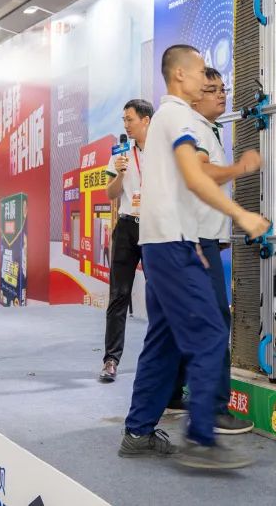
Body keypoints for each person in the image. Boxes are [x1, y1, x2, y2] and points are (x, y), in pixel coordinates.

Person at [119, 45, 269, 469]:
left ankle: (138, 432)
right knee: (209, 334)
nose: (209, 81)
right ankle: (201, 440)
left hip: (171, 244)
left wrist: (197, 243)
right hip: (172, 245)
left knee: (164, 341)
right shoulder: (179, 117)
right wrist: (241, 212)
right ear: (181, 75)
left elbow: (180, 185)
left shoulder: (171, 118)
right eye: (203, 72)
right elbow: (195, 176)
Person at [188, 67, 259, 434]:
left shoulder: (208, 130)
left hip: (202, 238)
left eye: (222, 88)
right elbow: (201, 174)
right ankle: (214, 409)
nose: (221, 95)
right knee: (216, 321)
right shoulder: (197, 131)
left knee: (184, 324)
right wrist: (240, 167)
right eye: (211, 90)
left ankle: (175, 396)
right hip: (198, 241)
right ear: (193, 97)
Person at [100, 99, 153, 382]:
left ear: (146, 120)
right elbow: (110, 194)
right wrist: (120, 174)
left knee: (159, 296)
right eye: (123, 120)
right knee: (119, 295)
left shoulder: (163, 152)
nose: (126, 125)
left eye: (130, 119)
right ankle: (110, 359)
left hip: (155, 229)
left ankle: (159, 362)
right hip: (126, 227)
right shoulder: (120, 153)